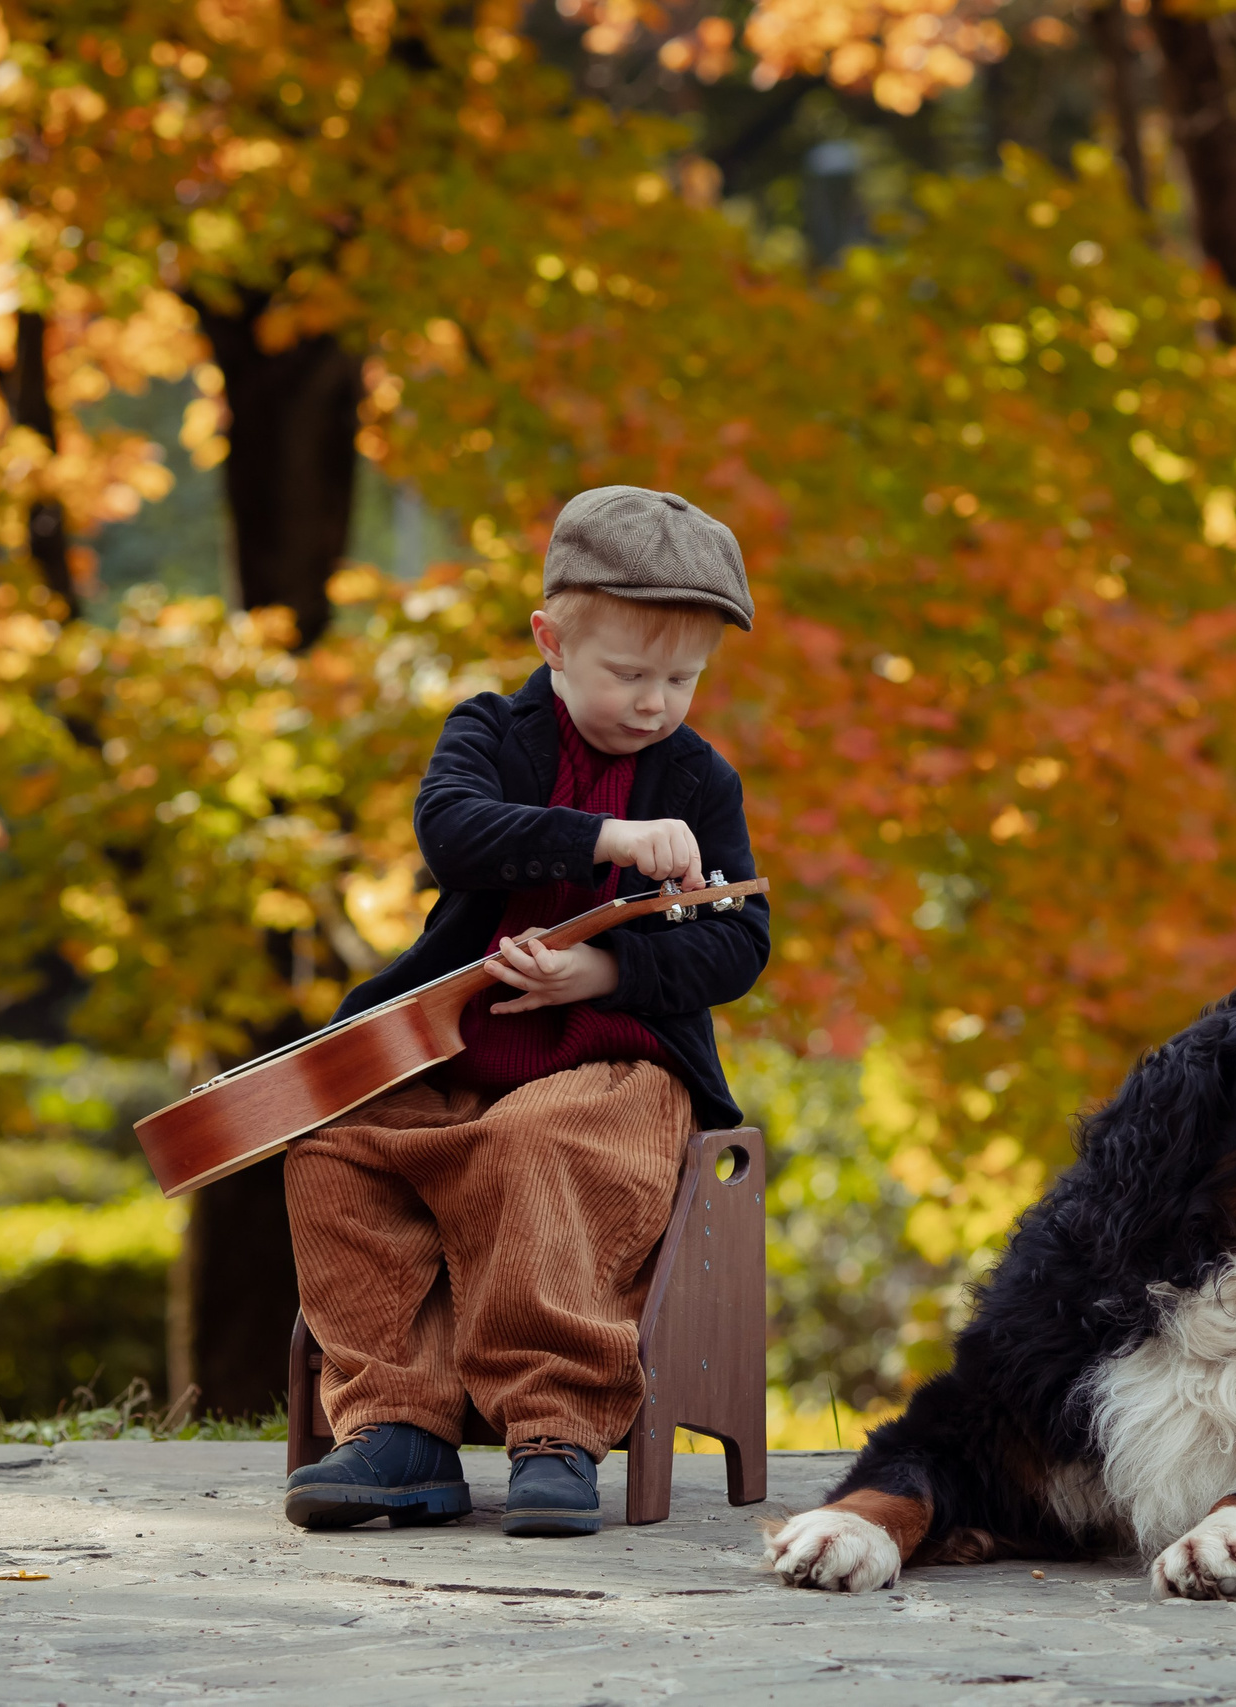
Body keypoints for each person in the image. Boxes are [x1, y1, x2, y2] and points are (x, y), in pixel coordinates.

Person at [279, 487, 769, 1538]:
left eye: (681, 678)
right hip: (461, 1050)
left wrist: (608, 976)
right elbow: (451, 830)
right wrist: (605, 841)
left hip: (616, 1067)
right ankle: (398, 1426)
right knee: (334, 1149)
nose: (653, 703)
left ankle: (558, 1426)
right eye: (627, 673)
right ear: (552, 639)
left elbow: (739, 941)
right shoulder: (491, 735)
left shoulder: (700, 780)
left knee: (526, 1143)